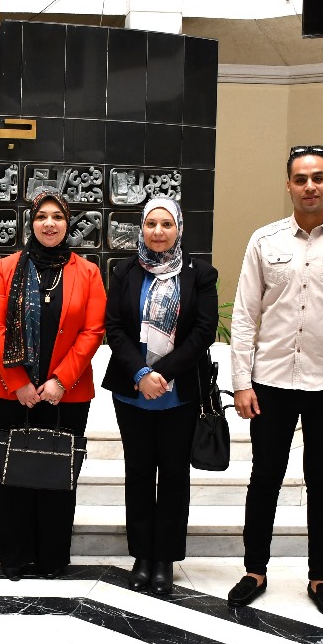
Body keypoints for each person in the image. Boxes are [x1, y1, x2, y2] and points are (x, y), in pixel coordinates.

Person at [228, 145, 323, 617]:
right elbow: (244, 315)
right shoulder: (264, 240)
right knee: (264, 479)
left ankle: (320, 577)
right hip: (270, 381)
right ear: (289, 185)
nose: (309, 186)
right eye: (300, 179)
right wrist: (241, 381)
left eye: (317, 177)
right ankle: (254, 570)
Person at [0, 191, 106, 580]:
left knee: (57, 475)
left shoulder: (88, 272)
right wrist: (18, 381)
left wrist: (60, 381)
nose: (49, 224)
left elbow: (93, 330)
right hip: (9, 392)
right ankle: (14, 557)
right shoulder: (6, 268)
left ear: (68, 224)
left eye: (57, 217)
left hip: (66, 394)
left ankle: (52, 557)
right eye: (41, 217)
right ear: (31, 222)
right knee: (12, 474)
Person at [103, 199, 218, 595]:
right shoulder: (125, 271)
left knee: (173, 475)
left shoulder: (200, 274)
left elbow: (203, 332)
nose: (158, 231)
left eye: (166, 224)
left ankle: (164, 558)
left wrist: (162, 374)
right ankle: (141, 555)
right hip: (132, 392)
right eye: (151, 223)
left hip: (178, 393)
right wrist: (140, 373)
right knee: (137, 473)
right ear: (142, 227)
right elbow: (114, 328)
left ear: (179, 228)